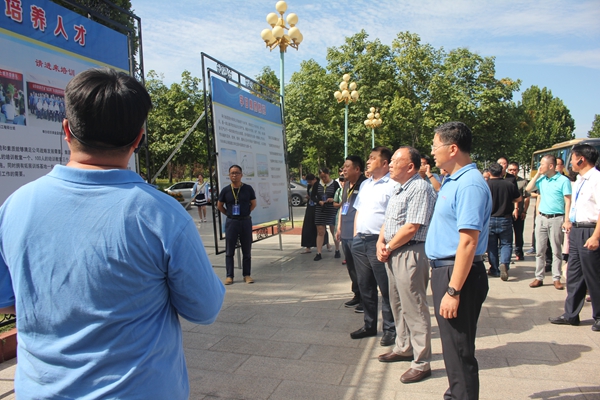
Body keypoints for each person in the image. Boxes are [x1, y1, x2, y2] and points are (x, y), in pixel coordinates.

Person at [0, 68, 225, 399]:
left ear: (66, 130)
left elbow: (7, 299)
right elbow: (204, 309)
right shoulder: (162, 215)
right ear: (138, 138)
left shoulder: (15, 206)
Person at [426, 121, 491, 400]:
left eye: (435, 146)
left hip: (457, 272)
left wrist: (453, 290)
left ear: (452, 149)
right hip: (447, 269)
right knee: (453, 348)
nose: (432, 152)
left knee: (459, 350)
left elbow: (468, 242)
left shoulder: (470, 184)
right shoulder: (453, 180)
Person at [376, 146, 436, 384]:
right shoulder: (399, 188)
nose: (389, 165)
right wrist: (381, 242)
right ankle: (403, 347)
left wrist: (389, 247)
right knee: (397, 303)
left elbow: (412, 226)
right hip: (393, 251)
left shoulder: (420, 187)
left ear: (410, 167)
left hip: (410, 252)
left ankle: (422, 362)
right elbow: (389, 220)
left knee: (415, 307)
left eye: (394, 161)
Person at [549, 144, 600, 331]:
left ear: (581, 159)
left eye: (572, 158)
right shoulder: (579, 180)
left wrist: (596, 236)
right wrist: (570, 221)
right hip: (577, 231)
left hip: (591, 231)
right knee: (574, 274)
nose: (570, 162)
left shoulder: (596, 179)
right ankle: (571, 314)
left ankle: (599, 316)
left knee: (593, 275)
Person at [350, 147, 397, 346]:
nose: (368, 161)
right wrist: (355, 236)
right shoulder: (365, 184)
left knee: (385, 287)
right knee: (365, 286)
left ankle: (390, 329)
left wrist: (384, 242)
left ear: (384, 163)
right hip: (360, 240)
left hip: (380, 242)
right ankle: (369, 325)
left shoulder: (393, 184)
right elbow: (358, 210)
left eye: (372, 158)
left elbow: (393, 216)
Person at [525, 154, 572, 290]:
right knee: (540, 249)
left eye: (542, 164)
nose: (540, 166)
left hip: (557, 218)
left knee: (556, 249)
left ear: (551, 166)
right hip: (542, 217)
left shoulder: (563, 180)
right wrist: (537, 174)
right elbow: (528, 189)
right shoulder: (542, 179)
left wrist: (567, 220)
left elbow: (568, 201)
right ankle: (539, 276)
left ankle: (556, 277)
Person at [335, 155, 367, 311]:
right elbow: (344, 205)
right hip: (346, 232)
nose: (344, 169)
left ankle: (366, 300)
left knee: (362, 268)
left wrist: (357, 232)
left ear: (357, 169)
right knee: (351, 267)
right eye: (343, 166)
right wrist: (339, 227)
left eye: (347, 166)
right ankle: (357, 294)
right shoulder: (347, 184)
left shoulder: (365, 184)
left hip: (358, 232)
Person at [217, 165, 257, 284]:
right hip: (232, 222)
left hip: (245, 221)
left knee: (246, 250)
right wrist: (229, 214)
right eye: (232, 173)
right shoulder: (225, 190)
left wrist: (246, 213)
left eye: (237, 173)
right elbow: (219, 205)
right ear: (229, 175)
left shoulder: (248, 189)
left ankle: (247, 275)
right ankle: (229, 276)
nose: (234, 175)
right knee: (229, 251)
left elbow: (253, 204)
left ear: (241, 175)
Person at [486, 163, 521, 280]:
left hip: (490, 218)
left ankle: (494, 269)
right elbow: (519, 198)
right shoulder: (509, 184)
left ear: (489, 173)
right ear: (502, 172)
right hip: (505, 218)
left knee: (492, 246)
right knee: (506, 244)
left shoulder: (486, 185)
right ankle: (504, 263)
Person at [311, 168, 340, 261]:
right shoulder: (317, 184)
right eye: (321, 177)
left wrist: (333, 199)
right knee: (320, 231)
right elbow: (312, 196)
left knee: (333, 230)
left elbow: (339, 195)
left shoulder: (335, 184)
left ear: (328, 174)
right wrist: (318, 201)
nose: (323, 179)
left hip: (332, 209)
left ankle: (337, 250)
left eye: (325, 176)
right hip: (320, 209)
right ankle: (318, 252)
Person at [507, 162, 530, 260]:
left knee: (519, 233)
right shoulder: (505, 180)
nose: (512, 172)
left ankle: (519, 252)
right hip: (507, 212)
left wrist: (524, 211)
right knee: (507, 235)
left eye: (514, 170)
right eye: (510, 170)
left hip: (519, 212)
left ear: (518, 171)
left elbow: (526, 198)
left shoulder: (523, 182)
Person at [300, 173, 328, 253]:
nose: (310, 183)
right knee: (308, 226)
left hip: (317, 206)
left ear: (314, 179)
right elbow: (310, 195)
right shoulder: (309, 186)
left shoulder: (319, 185)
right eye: (308, 182)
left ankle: (326, 243)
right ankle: (308, 246)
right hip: (310, 206)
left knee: (320, 227)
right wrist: (309, 197)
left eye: (310, 181)